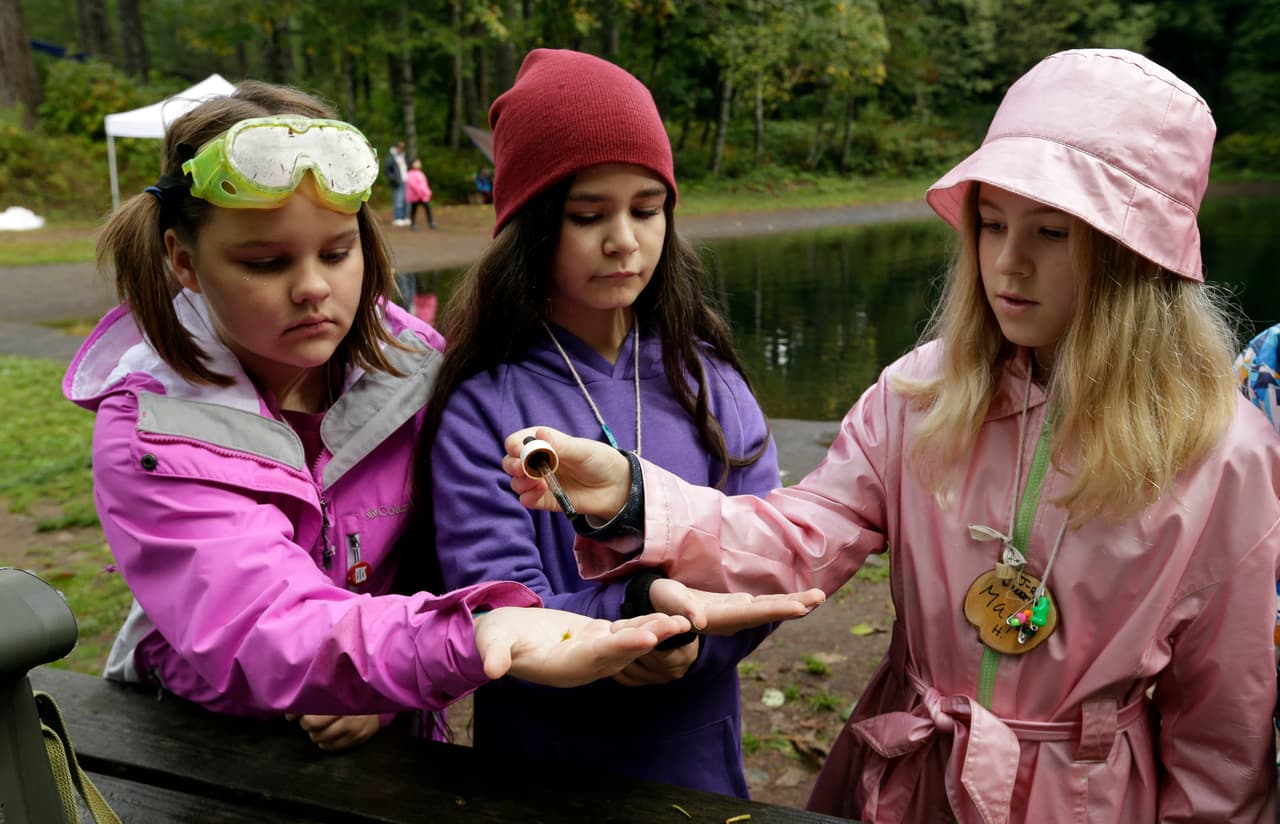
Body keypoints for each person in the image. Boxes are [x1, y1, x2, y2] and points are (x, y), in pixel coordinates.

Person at [503, 49, 1280, 821]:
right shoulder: (921, 395)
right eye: (991, 222)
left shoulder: (1222, 455)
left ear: (1136, 254)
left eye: (1051, 232)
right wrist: (638, 497)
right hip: (911, 788)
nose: (1008, 263)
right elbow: (798, 536)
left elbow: (1221, 736)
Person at [62, 80, 816, 754]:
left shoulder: (416, 371)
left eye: (336, 251)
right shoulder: (152, 431)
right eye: (265, 263)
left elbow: (442, 555)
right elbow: (259, 621)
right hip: (208, 748)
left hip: (400, 746)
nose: (312, 288)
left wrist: (390, 696)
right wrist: (467, 642)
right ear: (183, 260)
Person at [409, 48, 784, 798]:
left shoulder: (708, 378)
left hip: (697, 766)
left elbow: (766, 552)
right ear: (531, 227)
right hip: (539, 765)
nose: (625, 239)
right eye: (589, 215)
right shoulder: (484, 403)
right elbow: (502, 601)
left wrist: (691, 643)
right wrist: (632, 620)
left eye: (647, 209)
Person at [405, 158, 436, 230]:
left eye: (418, 162)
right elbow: (413, 185)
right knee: (414, 210)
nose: (417, 164)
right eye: (416, 162)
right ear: (412, 164)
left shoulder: (421, 173)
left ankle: (431, 222)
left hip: (423, 196)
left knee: (428, 208)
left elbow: (425, 184)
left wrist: (427, 192)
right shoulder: (410, 174)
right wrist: (421, 193)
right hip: (415, 196)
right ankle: (413, 224)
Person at [384, 140, 408, 226]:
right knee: (398, 200)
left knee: (406, 200)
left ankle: (404, 217)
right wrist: (394, 179)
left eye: (403, 147)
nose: (401, 149)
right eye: (400, 147)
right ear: (396, 147)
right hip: (397, 182)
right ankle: (397, 218)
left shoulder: (402, 156)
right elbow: (387, 170)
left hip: (405, 181)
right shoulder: (391, 157)